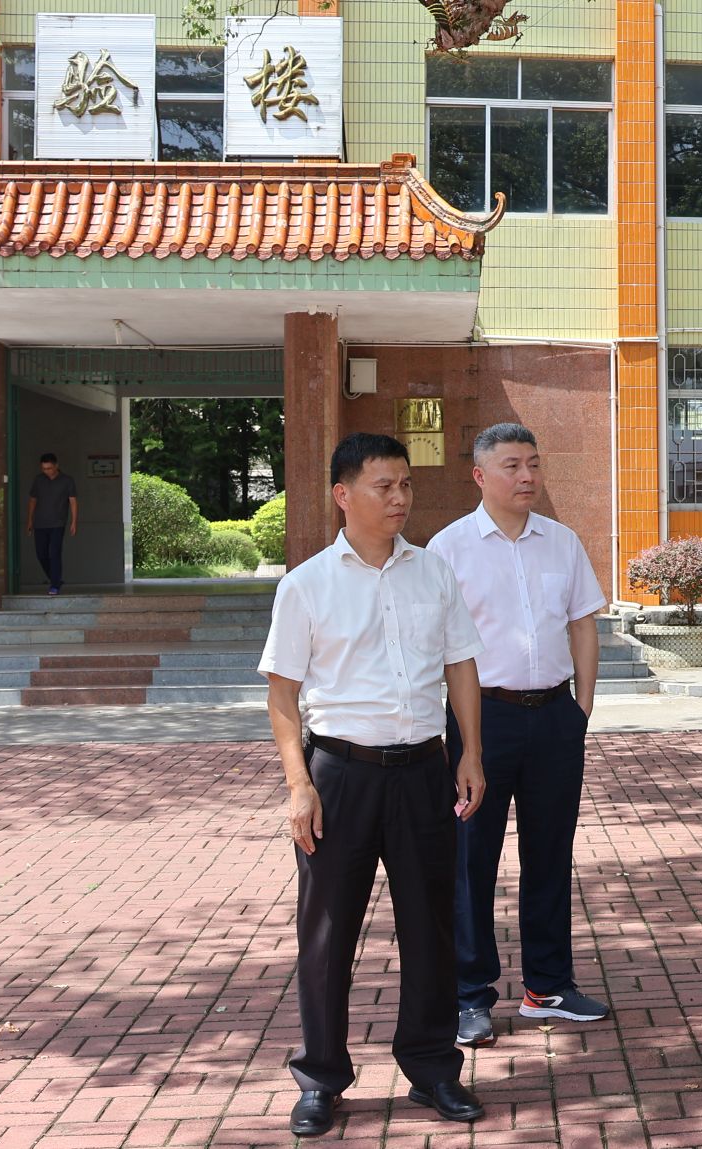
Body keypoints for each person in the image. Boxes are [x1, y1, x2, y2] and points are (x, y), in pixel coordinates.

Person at [257, 432, 491, 1138]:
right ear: (343, 494)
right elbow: (282, 695)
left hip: (423, 771)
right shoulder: (306, 585)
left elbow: (461, 665)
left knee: (431, 926)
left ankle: (433, 1069)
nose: (399, 498)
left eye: (405, 484)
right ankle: (320, 1078)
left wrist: (470, 753)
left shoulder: (434, 573)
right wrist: (299, 786)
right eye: (383, 485)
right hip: (340, 774)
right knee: (327, 932)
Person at [429, 423, 612, 1046]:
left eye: (533, 463)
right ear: (480, 476)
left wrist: (581, 709)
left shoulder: (562, 542)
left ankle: (548, 986)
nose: (527, 476)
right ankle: (469, 995)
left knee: (550, 852)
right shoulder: (448, 549)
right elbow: (438, 645)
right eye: (512, 466)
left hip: (555, 716)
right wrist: (456, 735)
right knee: (470, 858)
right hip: (480, 719)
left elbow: (583, 624)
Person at [26, 453, 77, 595]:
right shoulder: (38, 480)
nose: (46, 471)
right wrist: (29, 520)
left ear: (56, 466)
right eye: (43, 468)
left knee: (54, 553)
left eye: (49, 468)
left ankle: (54, 585)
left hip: (58, 523)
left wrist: (74, 521)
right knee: (41, 554)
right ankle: (56, 579)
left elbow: (73, 501)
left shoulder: (67, 481)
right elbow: (32, 500)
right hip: (40, 523)